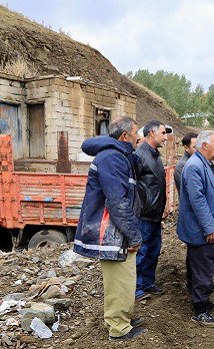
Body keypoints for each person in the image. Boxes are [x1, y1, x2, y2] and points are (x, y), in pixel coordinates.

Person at [73, 116, 147, 341]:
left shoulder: (120, 156)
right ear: (125, 136)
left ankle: (121, 317)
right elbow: (116, 201)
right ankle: (119, 328)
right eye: (136, 132)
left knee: (124, 280)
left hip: (117, 231)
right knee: (120, 282)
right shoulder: (113, 158)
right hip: (113, 233)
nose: (139, 137)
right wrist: (134, 235)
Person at [177, 130, 214, 328]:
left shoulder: (204, 163)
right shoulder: (194, 167)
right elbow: (197, 201)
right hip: (202, 231)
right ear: (205, 145)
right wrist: (209, 228)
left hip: (211, 228)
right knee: (202, 270)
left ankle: (204, 301)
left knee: (205, 267)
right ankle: (200, 310)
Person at [135, 120, 168, 301]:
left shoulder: (156, 155)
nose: (166, 137)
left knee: (153, 251)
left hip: (155, 214)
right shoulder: (140, 155)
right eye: (163, 133)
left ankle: (148, 283)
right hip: (144, 214)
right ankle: (137, 288)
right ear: (152, 134)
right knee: (141, 252)